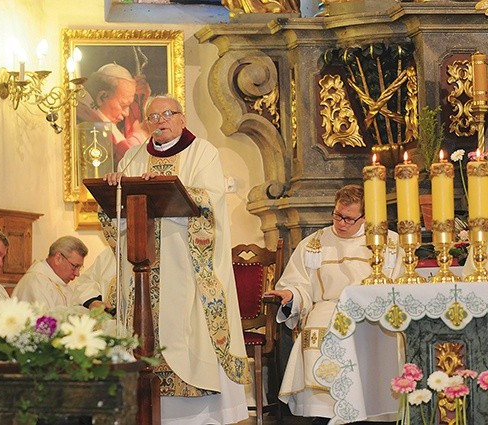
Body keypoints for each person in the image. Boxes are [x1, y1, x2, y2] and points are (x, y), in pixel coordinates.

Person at [102, 95, 250, 424]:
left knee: (186, 325)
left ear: (182, 119)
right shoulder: (134, 156)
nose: (160, 121)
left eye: (167, 114)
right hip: (145, 265)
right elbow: (120, 210)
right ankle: (143, 405)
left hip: (185, 263)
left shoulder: (203, 152)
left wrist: (174, 188)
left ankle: (196, 416)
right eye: (153, 117)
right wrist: (116, 186)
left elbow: (210, 202)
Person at [265, 185, 404, 424]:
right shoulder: (314, 244)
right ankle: (325, 412)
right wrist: (291, 295)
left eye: (349, 218)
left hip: (372, 309)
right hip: (328, 308)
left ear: (365, 217)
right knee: (320, 326)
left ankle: (376, 410)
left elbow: (399, 284)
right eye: (337, 215)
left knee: (384, 333)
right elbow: (299, 284)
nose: (340, 222)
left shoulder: (387, 243)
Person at [76, 63, 151, 166]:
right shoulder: (87, 123)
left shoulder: (105, 119)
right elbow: (127, 163)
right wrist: (138, 134)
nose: (127, 113)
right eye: (123, 105)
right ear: (102, 97)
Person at [11, 236, 88, 309]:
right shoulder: (36, 283)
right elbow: (44, 321)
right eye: (74, 266)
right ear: (58, 258)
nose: (77, 273)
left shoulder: (61, 284)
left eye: (79, 268)